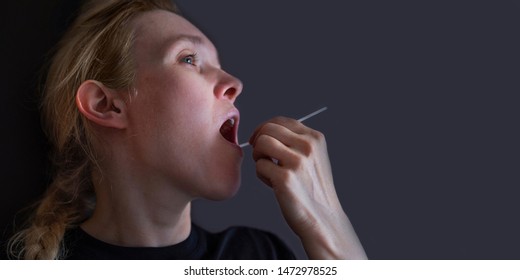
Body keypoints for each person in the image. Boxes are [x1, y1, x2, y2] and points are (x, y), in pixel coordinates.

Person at [8, 0, 367, 260]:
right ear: (107, 105)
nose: (234, 83)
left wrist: (326, 222)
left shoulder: (255, 258)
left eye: (220, 64)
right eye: (189, 59)